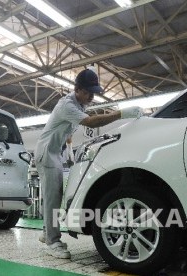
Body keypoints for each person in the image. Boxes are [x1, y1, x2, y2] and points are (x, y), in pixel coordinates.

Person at [34, 68, 143, 259]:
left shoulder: (80, 104)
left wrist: (68, 146)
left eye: (94, 92)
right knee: (53, 197)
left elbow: (66, 128)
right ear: (77, 89)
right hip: (47, 152)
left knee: (55, 195)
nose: (92, 96)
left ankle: (47, 232)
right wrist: (121, 114)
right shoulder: (67, 105)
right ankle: (52, 242)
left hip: (56, 151)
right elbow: (91, 123)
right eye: (88, 92)